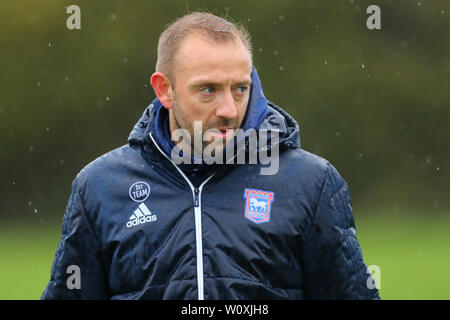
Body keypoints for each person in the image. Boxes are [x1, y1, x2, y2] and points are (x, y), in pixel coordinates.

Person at [42, 11, 380, 300]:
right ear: (165, 90)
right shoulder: (99, 188)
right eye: (209, 90)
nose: (229, 110)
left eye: (240, 88)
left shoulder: (310, 183)